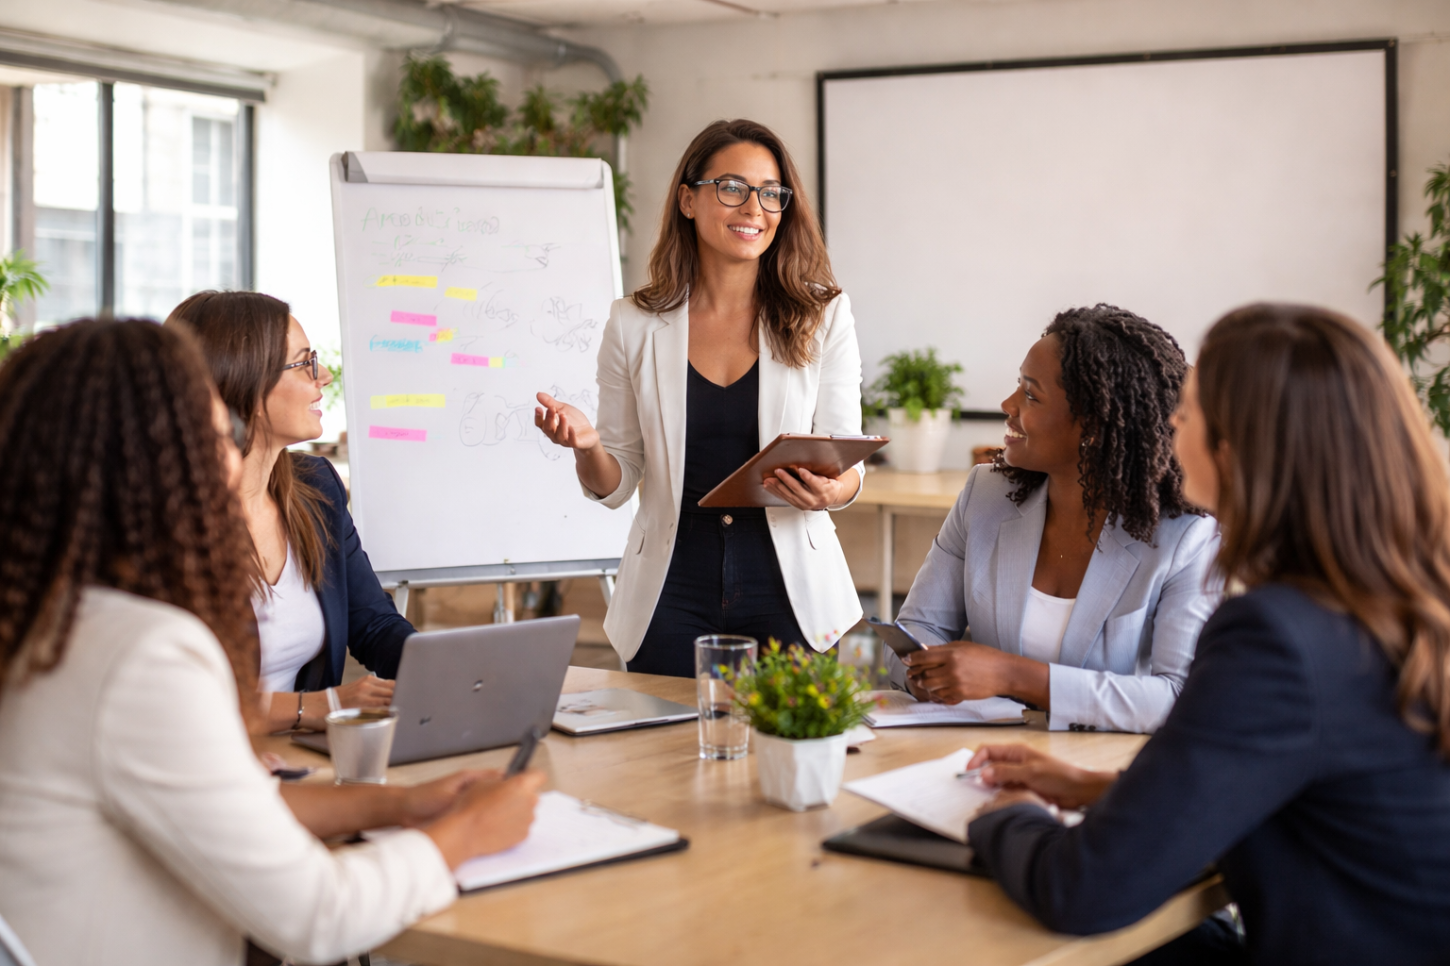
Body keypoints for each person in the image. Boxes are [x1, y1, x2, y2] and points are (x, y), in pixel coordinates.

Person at [0, 318, 544, 966]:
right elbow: (319, 916)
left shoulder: (52, 624)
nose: (231, 462)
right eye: (215, 439)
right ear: (149, 470)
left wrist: (405, 803)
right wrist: (467, 832)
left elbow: (233, 804)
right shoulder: (143, 657)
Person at [967, 303, 1450, 964]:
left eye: (1188, 410)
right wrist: (1102, 790)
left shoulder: (1278, 637)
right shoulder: (1404, 599)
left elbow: (1083, 890)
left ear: (1240, 446)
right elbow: (1320, 788)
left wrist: (1003, 817)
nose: (1170, 423)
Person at [534, 119, 864, 676]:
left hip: (792, 591)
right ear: (688, 199)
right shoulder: (633, 323)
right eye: (732, 188)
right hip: (671, 589)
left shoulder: (823, 315)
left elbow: (845, 456)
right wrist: (588, 447)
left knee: (791, 759)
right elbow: (615, 485)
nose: (753, 208)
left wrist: (834, 487)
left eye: (770, 193)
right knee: (664, 759)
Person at [891, 305, 1220, 733]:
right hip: (977, 756)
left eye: (1031, 394)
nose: (1008, 405)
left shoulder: (1184, 537)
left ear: (1093, 427)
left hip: (1100, 773)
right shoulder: (985, 495)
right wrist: (929, 679)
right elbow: (916, 628)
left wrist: (1013, 676)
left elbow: (1179, 697)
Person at [168, 291, 408, 733]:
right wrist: (320, 705)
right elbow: (171, 697)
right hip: (202, 759)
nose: (327, 376)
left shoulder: (317, 486)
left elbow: (373, 624)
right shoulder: (166, 521)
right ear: (246, 382)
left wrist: (452, 669)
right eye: (305, 363)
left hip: (298, 759)